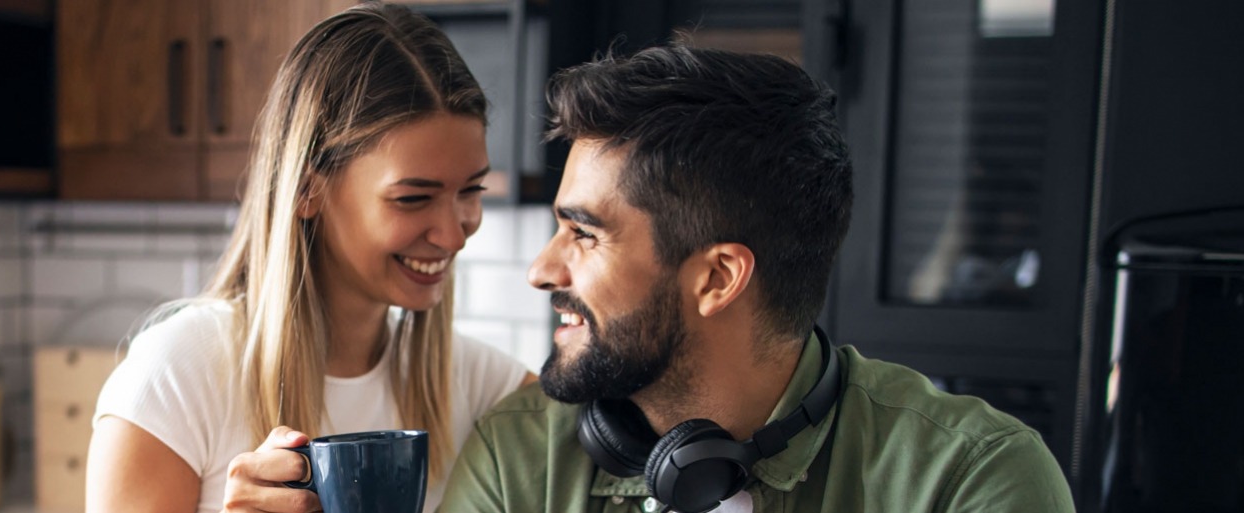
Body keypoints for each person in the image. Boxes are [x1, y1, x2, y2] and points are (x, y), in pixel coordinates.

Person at [438, 43, 1074, 513]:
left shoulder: (971, 478)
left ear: (718, 278)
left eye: (584, 234)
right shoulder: (517, 458)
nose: (541, 270)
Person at [86, 3, 533, 513]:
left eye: (470, 191)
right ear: (306, 190)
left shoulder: (476, 383)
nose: (454, 234)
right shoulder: (175, 378)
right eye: (413, 198)